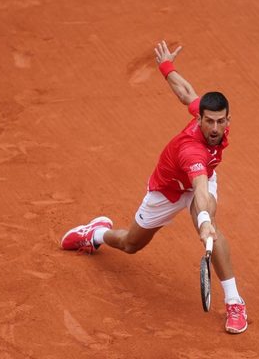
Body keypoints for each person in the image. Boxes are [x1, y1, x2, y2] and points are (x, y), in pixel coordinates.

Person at [61, 40, 248, 334]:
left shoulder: (211, 117)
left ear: (227, 120)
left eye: (220, 122)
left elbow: (186, 93)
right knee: (130, 244)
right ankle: (94, 233)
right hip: (169, 189)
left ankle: (235, 302)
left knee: (211, 224)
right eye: (209, 122)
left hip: (202, 177)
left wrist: (166, 66)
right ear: (199, 120)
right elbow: (198, 185)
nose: (214, 128)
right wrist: (202, 220)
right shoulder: (192, 150)